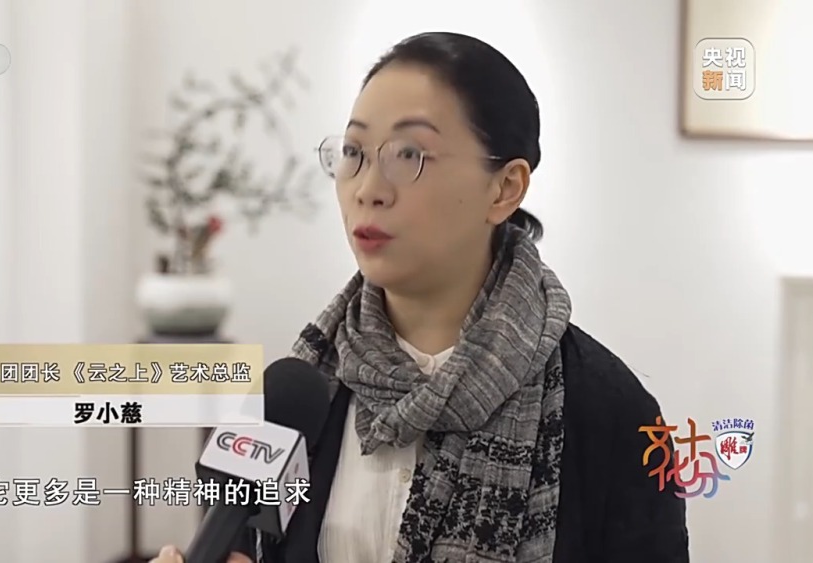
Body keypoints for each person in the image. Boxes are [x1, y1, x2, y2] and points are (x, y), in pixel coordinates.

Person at [152, 31, 689, 563]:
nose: (368, 189)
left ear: (505, 188)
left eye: (409, 154)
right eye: (354, 152)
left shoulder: (613, 417)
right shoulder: (297, 395)